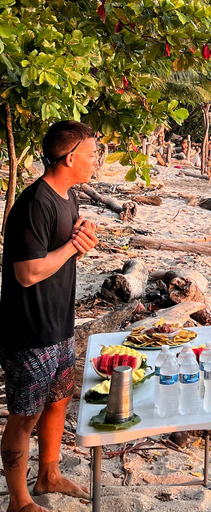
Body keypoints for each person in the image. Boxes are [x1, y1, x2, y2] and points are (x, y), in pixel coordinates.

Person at [0, 120, 99, 512]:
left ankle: (48, 475)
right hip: (29, 330)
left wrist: (80, 235)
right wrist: (74, 245)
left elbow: (61, 248)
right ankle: (19, 500)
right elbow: (27, 272)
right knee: (24, 416)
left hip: (59, 324)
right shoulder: (35, 203)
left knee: (59, 400)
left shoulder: (67, 197)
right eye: (91, 154)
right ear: (70, 157)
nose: (96, 160)